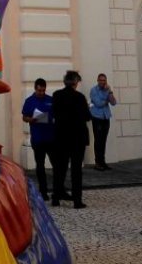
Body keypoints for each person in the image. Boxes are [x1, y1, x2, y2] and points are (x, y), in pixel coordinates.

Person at [50, 70, 90, 208]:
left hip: (61, 137)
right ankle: (77, 200)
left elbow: (53, 113)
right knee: (76, 170)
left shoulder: (56, 95)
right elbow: (87, 116)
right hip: (77, 138)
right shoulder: (79, 97)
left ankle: (55, 198)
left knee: (59, 168)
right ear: (75, 82)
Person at [21, 78, 61, 201]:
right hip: (38, 138)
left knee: (57, 165)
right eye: (39, 90)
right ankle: (43, 191)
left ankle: (57, 190)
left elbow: (57, 115)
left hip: (51, 138)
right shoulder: (29, 101)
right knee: (40, 166)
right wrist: (30, 120)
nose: (42, 93)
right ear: (35, 88)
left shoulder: (50, 100)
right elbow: (24, 117)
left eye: (43, 90)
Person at [88, 73, 116, 170]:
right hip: (97, 117)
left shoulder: (107, 90)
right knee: (98, 140)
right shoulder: (93, 90)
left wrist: (110, 91)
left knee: (103, 140)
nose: (102, 82)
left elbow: (114, 103)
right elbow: (99, 104)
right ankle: (97, 163)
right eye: (101, 80)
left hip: (105, 117)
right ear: (97, 80)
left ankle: (103, 162)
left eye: (104, 80)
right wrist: (106, 99)